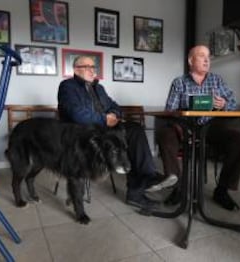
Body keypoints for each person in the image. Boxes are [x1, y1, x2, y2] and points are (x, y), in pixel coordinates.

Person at [58, 55, 178, 209]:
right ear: (76, 69)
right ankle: (140, 186)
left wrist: (114, 115)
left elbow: (115, 106)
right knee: (122, 142)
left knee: (134, 130)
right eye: (86, 67)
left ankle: (147, 178)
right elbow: (76, 113)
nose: (91, 70)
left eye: (93, 67)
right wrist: (104, 119)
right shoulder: (67, 86)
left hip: (105, 130)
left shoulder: (99, 88)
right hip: (82, 135)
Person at [156, 45, 240, 211]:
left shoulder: (217, 80)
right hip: (186, 126)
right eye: (202, 56)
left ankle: (222, 190)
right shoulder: (179, 82)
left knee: (239, 138)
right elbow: (170, 110)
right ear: (191, 61)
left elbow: (233, 103)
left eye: (209, 57)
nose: (207, 60)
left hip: (211, 127)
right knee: (165, 135)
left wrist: (225, 104)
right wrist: (187, 107)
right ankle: (178, 188)